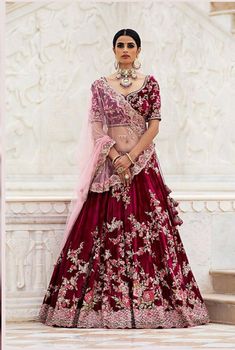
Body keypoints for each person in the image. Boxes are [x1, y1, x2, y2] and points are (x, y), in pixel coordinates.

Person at [38, 28, 210, 329]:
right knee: (98, 233)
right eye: (120, 45)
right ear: (114, 50)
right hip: (109, 167)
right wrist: (115, 156)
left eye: (131, 45)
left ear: (139, 51)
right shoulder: (101, 86)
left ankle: (157, 307)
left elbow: (154, 127)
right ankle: (93, 308)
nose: (126, 49)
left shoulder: (151, 84)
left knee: (150, 233)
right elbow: (96, 127)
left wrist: (130, 158)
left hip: (143, 167)